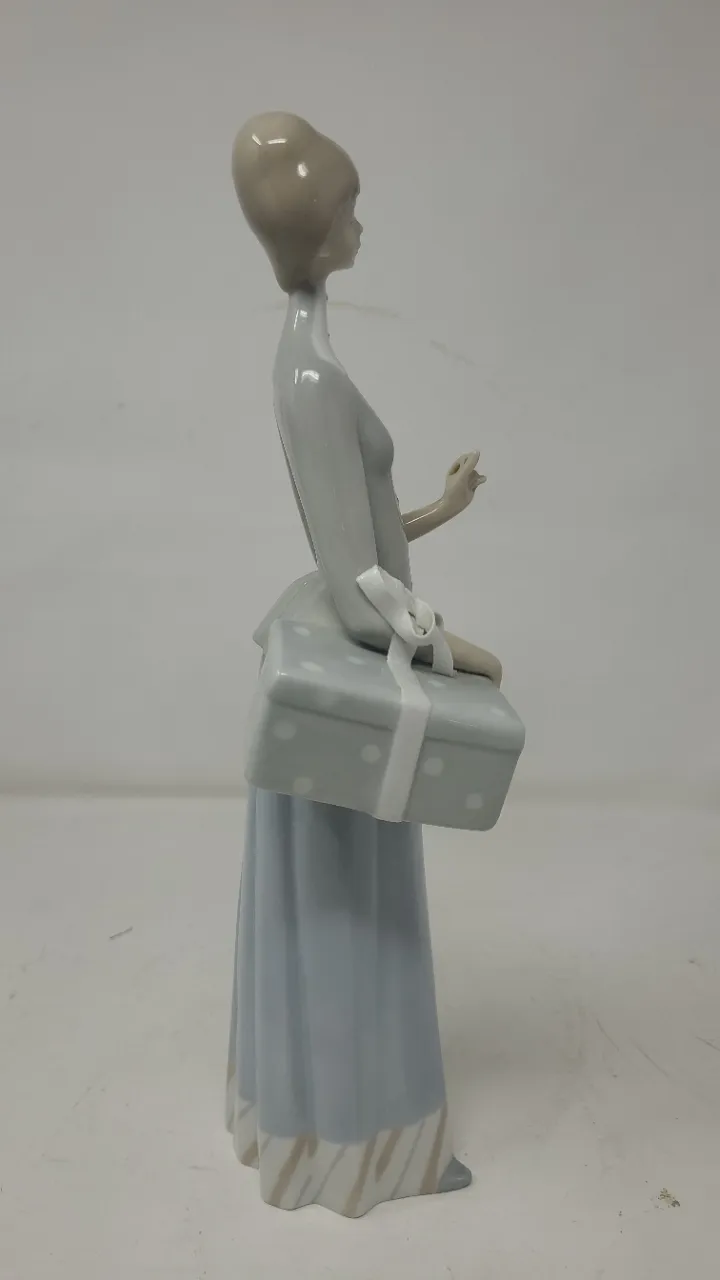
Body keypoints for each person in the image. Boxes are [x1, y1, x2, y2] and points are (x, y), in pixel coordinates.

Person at [226, 112, 500, 1216]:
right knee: (354, 916)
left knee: (339, 910)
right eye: (348, 209)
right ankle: (364, 1144)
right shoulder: (312, 380)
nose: (360, 225)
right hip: (358, 664)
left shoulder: (311, 361)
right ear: (313, 230)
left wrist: (441, 504)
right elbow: (356, 586)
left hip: (351, 649)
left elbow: (367, 536)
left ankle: (326, 1130)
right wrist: (451, 647)